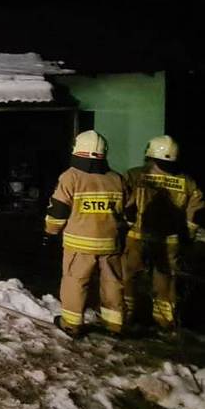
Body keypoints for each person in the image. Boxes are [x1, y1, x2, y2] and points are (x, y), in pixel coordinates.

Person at [45, 130, 128, 337]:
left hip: (79, 245)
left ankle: (72, 324)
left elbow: (58, 210)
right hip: (110, 243)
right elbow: (130, 213)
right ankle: (114, 324)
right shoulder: (116, 179)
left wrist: (50, 232)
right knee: (112, 283)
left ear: (77, 149)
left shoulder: (71, 177)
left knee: (75, 281)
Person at [122, 136, 204, 331]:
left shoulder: (135, 175)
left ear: (149, 154)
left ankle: (127, 314)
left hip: (137, 237)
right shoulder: (187, 182)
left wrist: (125, 223)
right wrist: (188, 236)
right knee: (166, 281)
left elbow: (124, 202)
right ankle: (165, 321)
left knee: (129, 276)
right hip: (170, 242)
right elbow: (196, 211)